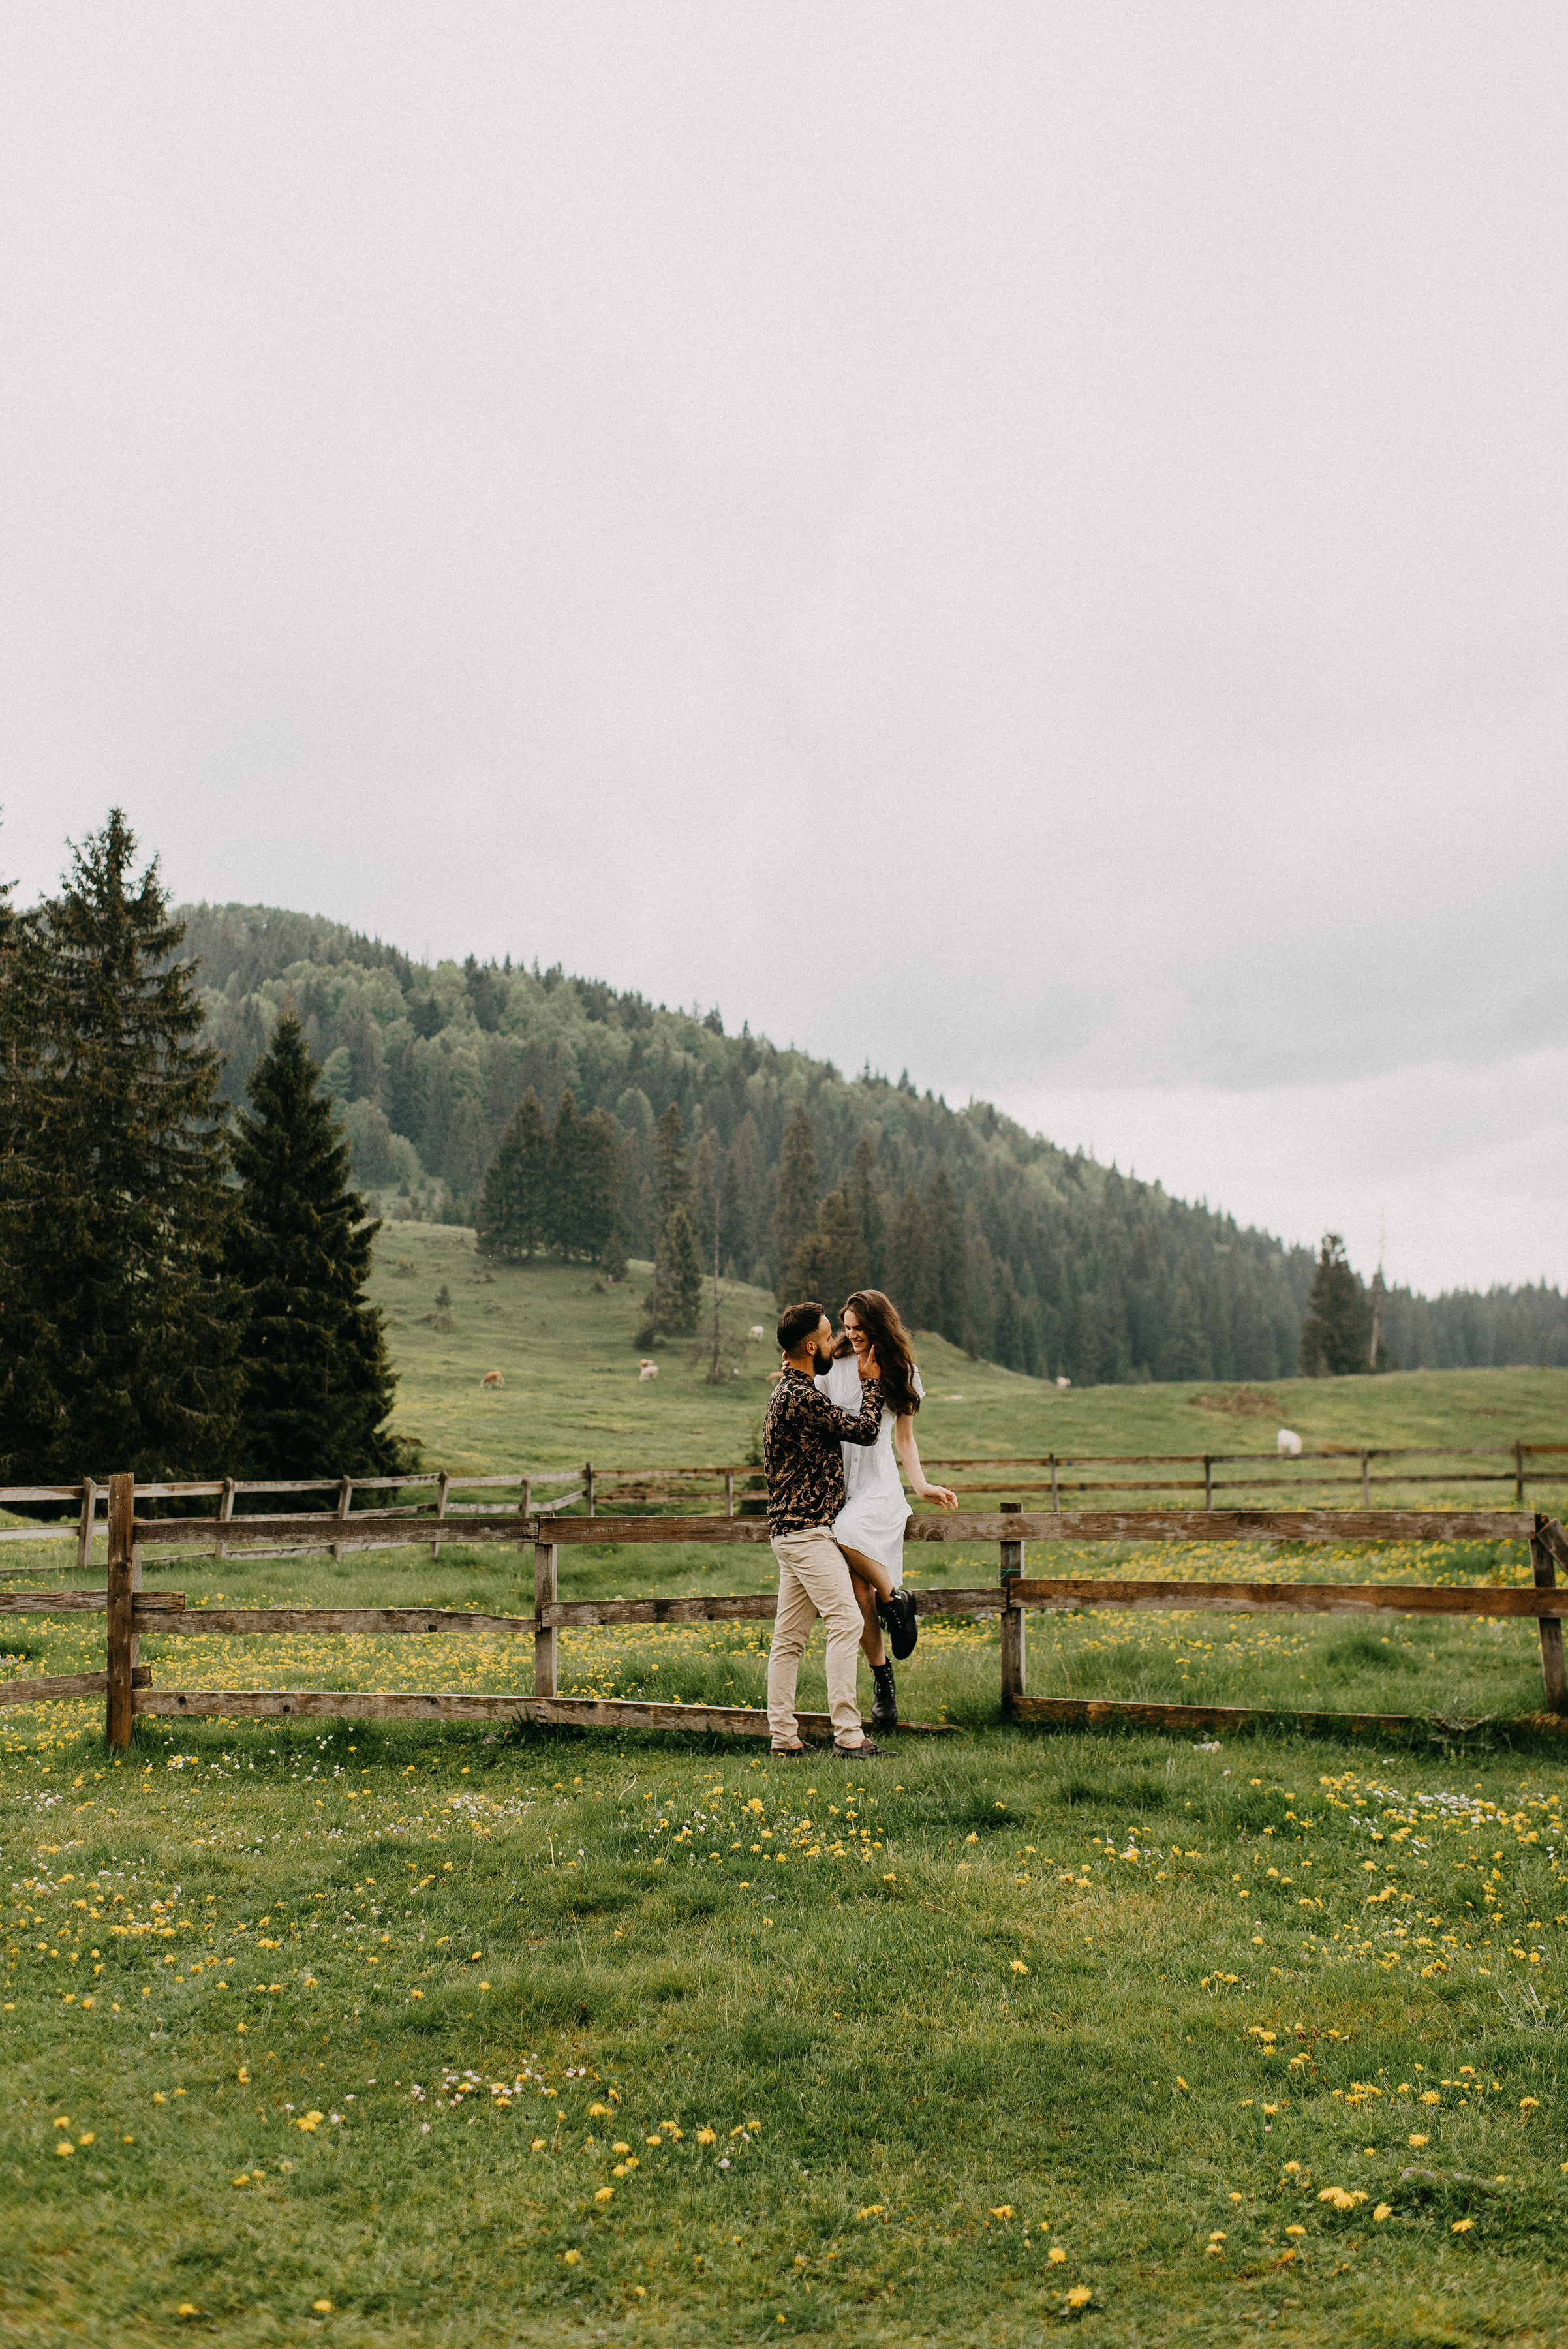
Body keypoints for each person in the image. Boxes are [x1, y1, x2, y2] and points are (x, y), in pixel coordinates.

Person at [816, 1289, 957, 1728]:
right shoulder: (833, 1365)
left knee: (845, 1532)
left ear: (879, 1325)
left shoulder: (903, 1370)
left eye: (859, 1328)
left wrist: (921, 1485)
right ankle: (884, 1678)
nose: (852, 1335)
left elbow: (904, 1438)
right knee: (859, 1595)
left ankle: (894, 1599)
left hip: (878, 1485)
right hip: (840, 1484)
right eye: (847, 1328)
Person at [763, 1298, 886, 1760]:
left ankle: (783, 1737)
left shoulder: (788, 1392)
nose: (836, 1342)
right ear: (811, 1346)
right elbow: (866, 1430)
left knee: (788, 1640)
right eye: (829, 1334)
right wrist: (870, 1384)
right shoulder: (802, 1397)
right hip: (807, 1532)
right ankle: (848, 1735)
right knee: (847, 1620)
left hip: (788, 1532)